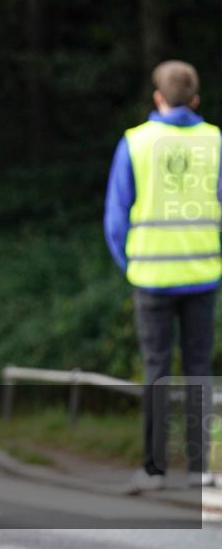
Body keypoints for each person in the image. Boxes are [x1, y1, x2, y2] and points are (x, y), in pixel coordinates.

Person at [104, 60, 218, 491]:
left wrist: (131, 264)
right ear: (195, 99)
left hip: (150, 276)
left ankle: (153, 469)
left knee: (156, 369)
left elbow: (116, 218)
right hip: (203, 274)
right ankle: (198, 467)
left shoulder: (136, 143)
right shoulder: (215, 142)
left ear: (158, 98)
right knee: (198, 369)